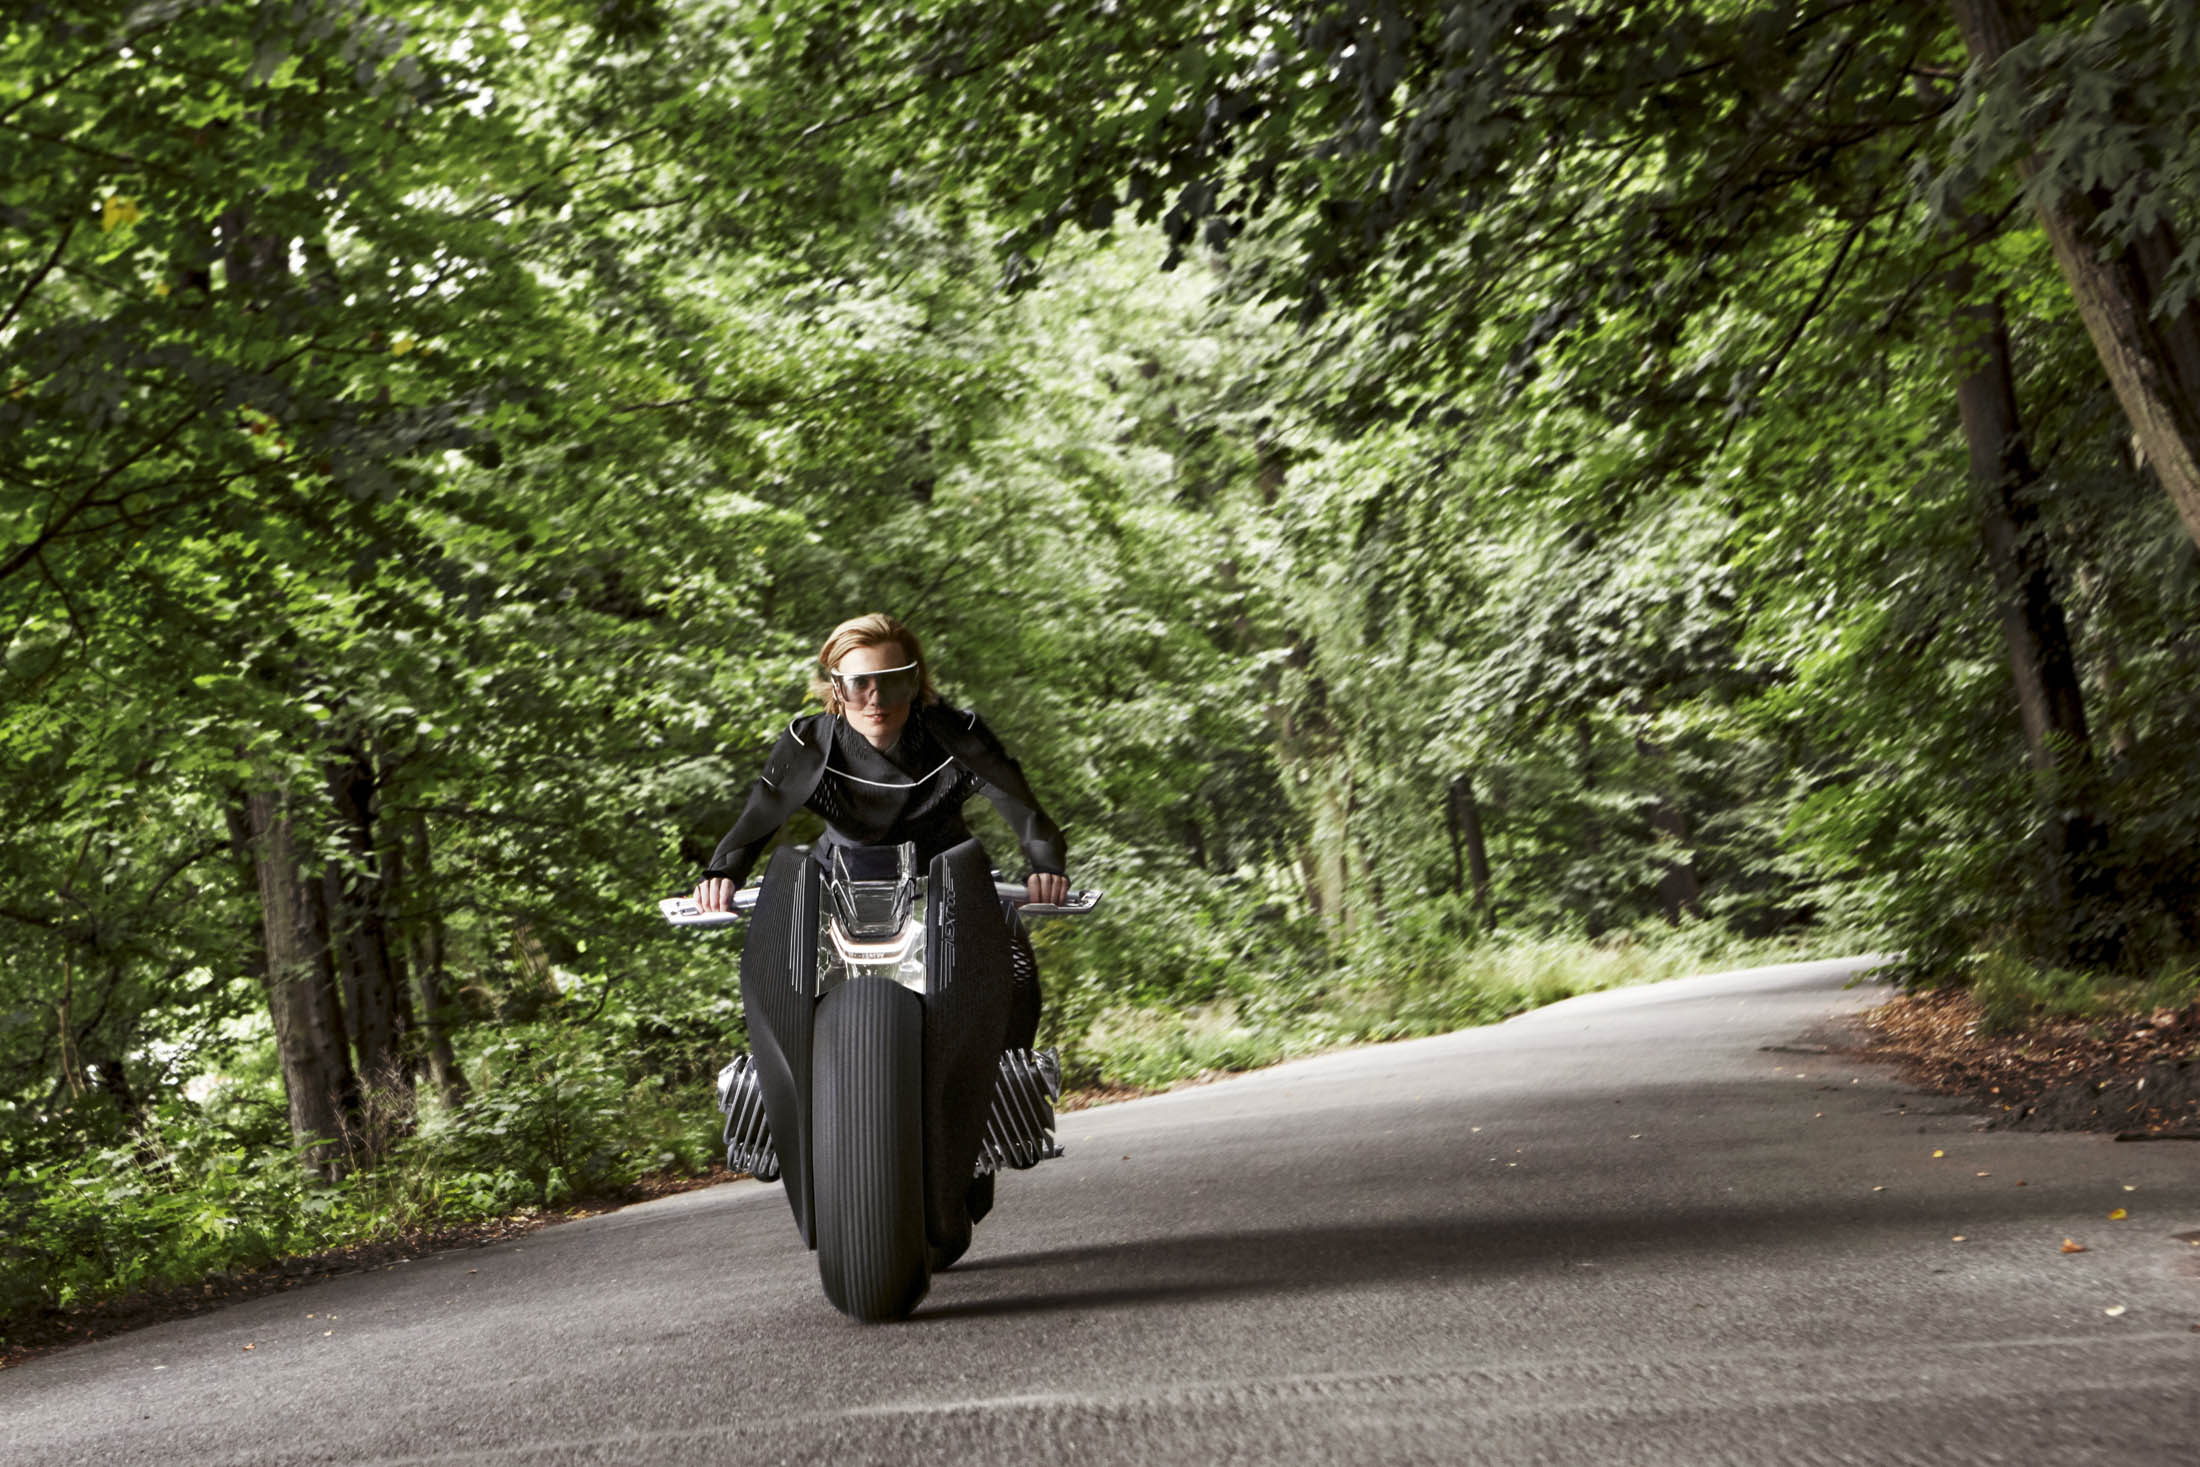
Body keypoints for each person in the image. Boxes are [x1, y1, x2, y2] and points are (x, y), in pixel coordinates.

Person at [692, 613, 1068, 1044]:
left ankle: (1013, 1071)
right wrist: (721, 874)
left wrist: (1046, 868)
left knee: (1015, 968)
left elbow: (1023, 808)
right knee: (772, 972)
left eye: (891, 682)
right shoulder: (806, 742)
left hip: (949, 881)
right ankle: (766, 1079)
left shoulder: (960, 733)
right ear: (837, 688)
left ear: (913, 681)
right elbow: (759, 817)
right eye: (859, 684)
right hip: (835, 885)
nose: (875, 699)